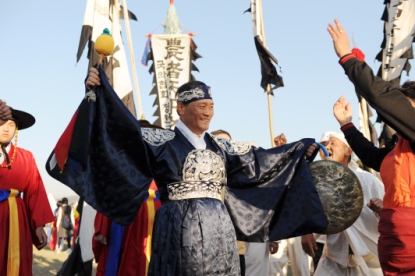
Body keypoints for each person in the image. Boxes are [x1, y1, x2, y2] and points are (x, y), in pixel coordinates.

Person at [49, 67, 328, 276]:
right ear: (181, 108)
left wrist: (297, 150)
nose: (208, 113)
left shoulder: (221, 147)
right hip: (176, 228)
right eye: (201, 106)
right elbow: (118, 133)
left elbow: (258, 162)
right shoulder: (159, 141)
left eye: (211, 107)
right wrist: (97, 94)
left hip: (220, 229)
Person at [328, 18, 415, 275]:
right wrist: (346, 125)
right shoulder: (401, 147)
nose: (396, 115)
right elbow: (371, 156)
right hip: (394, 240)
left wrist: (347, 57)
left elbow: (382, 97)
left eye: (404, 108)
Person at [302, 132, 384, 275]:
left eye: (333, 143)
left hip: (368, 259)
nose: (328, 146)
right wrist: (305, 230)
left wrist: (381, 209)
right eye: (326, 144)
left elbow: (391, 213)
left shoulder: (368, 180)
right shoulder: (318, 182)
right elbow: (305, 207)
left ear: (349, 150)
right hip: (334, 257)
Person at [0, 108, 54, 275]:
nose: (6, 129)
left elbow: (35, 190)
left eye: (11, 125)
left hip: (16, 217)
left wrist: (38, 225)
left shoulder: (26, 157)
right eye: (2, 124)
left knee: (17, 261)